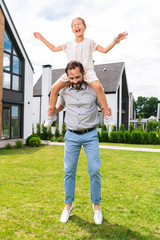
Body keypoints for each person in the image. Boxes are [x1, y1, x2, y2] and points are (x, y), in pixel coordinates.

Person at [34, 17, 128, 127]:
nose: (77, 26)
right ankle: (51, 116)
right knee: (54, 88)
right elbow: (54, 48)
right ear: (72, 29)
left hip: (87, 72)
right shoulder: (68, 44)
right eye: (74, 25)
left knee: (98, 87)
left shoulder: (90, 42)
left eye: (79, 24)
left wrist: (116, 40)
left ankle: (107, 116)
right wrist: (42, 38)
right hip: (71, 74)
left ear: (85, 27)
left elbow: (105, 50)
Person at [52, 60, 109, 224]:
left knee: (94, 170)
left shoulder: (93, 88)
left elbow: (103, 106)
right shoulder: (63, 90)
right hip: (71, 135)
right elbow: (59, 106)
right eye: (71, 78)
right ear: (67, 76)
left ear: (83, 74)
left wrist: (107, 111)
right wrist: (53, 109)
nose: (75, 81)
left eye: (77, 77)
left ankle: (96, 206)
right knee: (68, 171)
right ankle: (68, 205)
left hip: (90, 135)